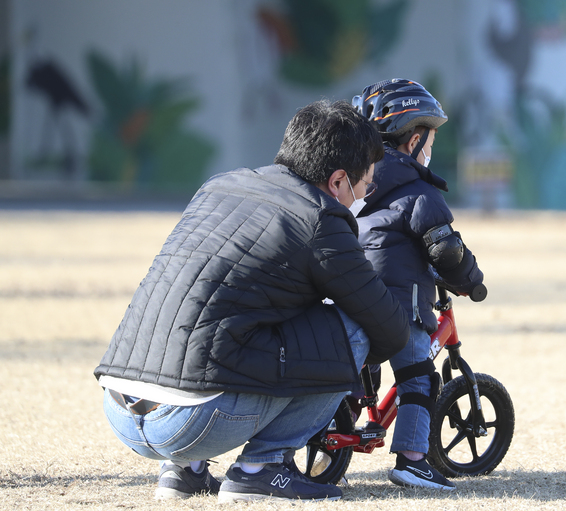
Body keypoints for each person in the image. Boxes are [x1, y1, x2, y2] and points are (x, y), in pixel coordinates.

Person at [94, 99, 410, 503]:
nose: (365, 194)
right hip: (194, 420)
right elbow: (389, 326)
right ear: (337, 182)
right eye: (365, 184)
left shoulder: (220, 184)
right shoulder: (321, 218)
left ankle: (184, 471)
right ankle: (262, 469)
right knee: (354, 328)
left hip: (121, 408)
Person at [351, 79, 486, 491]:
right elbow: (445, 249)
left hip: (350, 296)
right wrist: (472, 281)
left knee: (358, 370)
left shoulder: (354, 183)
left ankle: (337, 428)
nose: (430, 151)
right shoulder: (418, 190)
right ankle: (412, 460)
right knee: (419, 379)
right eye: (430, 141)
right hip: (399, 306)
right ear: (413, 141)